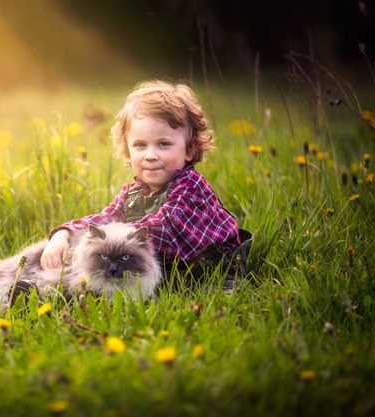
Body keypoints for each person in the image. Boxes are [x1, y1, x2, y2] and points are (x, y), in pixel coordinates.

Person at [40, 80, 252, 293]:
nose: (151, 155)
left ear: (189, 149)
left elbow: (166, 230)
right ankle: (38, 290)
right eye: (140, 145)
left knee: (206, 289)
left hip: (211, 270)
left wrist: (94, 244)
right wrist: (67, 233)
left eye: (163, 144)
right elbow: (105, 220)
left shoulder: (190, 186)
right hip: (166, 268)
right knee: (103, 272)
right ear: (127, 152)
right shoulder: (132, 193)